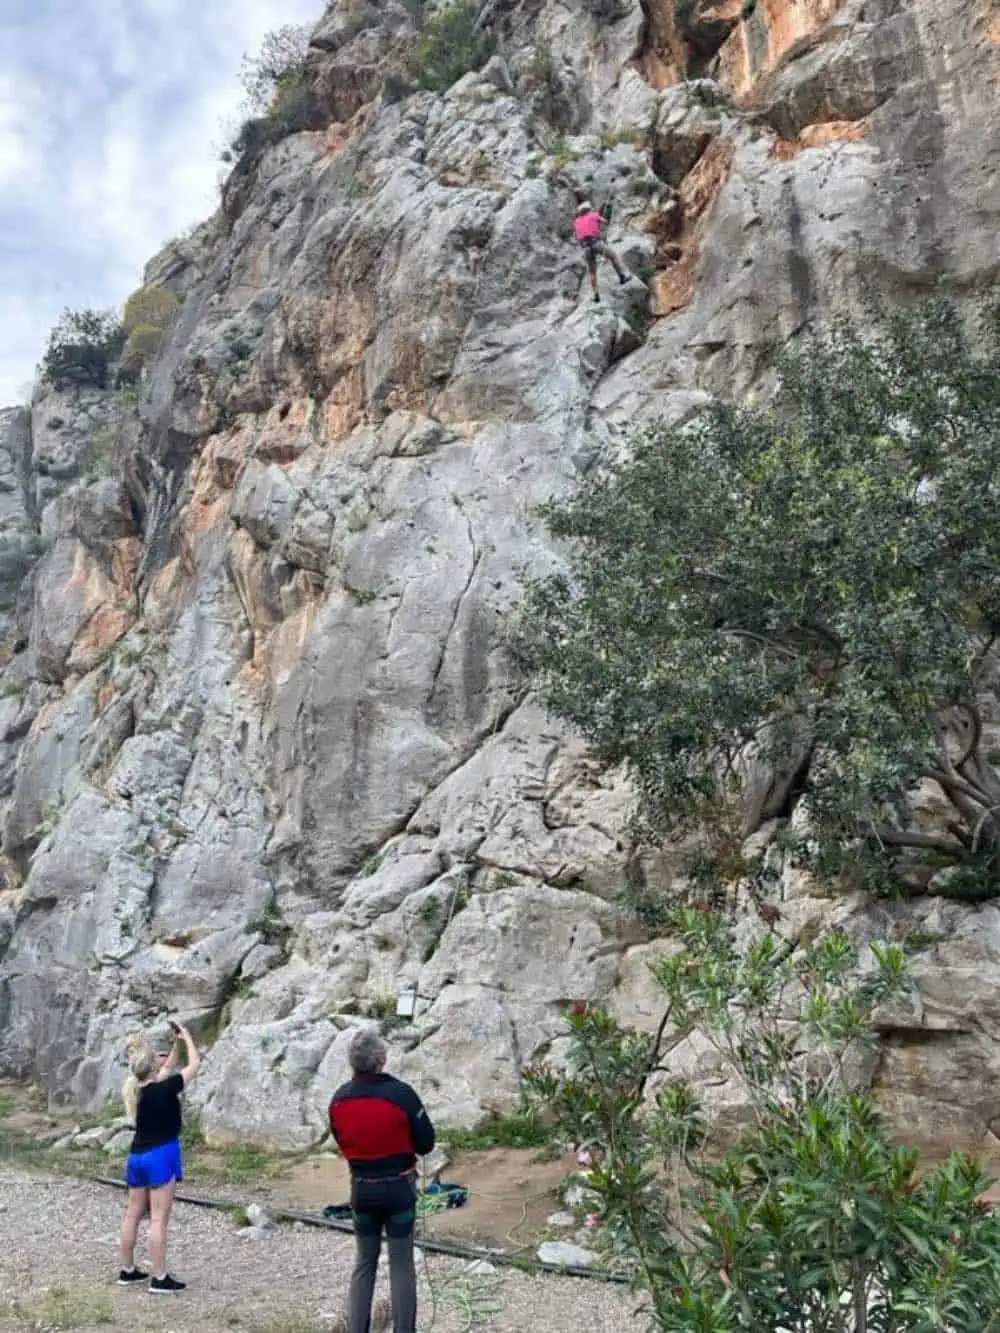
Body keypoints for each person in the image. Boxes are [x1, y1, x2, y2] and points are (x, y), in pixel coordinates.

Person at [329, 1029, 436, 1333]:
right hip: (399, 1188)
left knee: (364, 1263)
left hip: (361, 1189)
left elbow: (340, 1138)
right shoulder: (402, 1095)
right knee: (401, 1263)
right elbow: (426, 1142)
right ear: (381, 1060)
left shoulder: (339, 1100)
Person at [118, 1020, 201, 1294]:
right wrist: (188, 1037)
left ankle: (128, 1270)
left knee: (132, 1214)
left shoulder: (138, 1089)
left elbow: (167, 1068)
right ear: (152, 1066)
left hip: (137, 1156)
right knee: (158, 1219)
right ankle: (159, 1277)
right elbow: (195, 1065)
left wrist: (174, 1042)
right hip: (160, 1156)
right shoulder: (165, 1089)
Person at [574, 199, 629, 302]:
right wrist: (608, 208)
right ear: (588, 209)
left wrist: (601, 210)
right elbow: (606, 221)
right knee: (613, 256)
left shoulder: (577, 221)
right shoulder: (593, 215)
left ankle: (596, 295)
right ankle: (622, 277)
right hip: (596, 243)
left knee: (592, 273)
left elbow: (586, 228)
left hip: (586, 248)